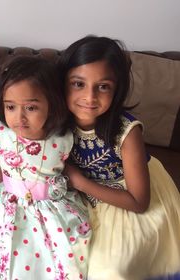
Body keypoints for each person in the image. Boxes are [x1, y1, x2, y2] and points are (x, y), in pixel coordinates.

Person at [58, 35, 180, 280]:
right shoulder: (58, 119)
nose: (89, 97)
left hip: (130, 197)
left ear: (117, 89)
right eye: (78, 84)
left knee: (109, 269)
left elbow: (139, 201)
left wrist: (80, 182)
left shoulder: (127, 132)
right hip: (84, 198)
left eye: (103, 86)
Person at [0, 56, 92, 280]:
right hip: (12, 209)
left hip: (53, 212)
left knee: (60, 262)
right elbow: (0, 173)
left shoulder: (63, 139)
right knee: (16, 263)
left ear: (51, 104)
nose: (19, 117)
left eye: (31, 107)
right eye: (10, 107)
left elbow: (69, 175)